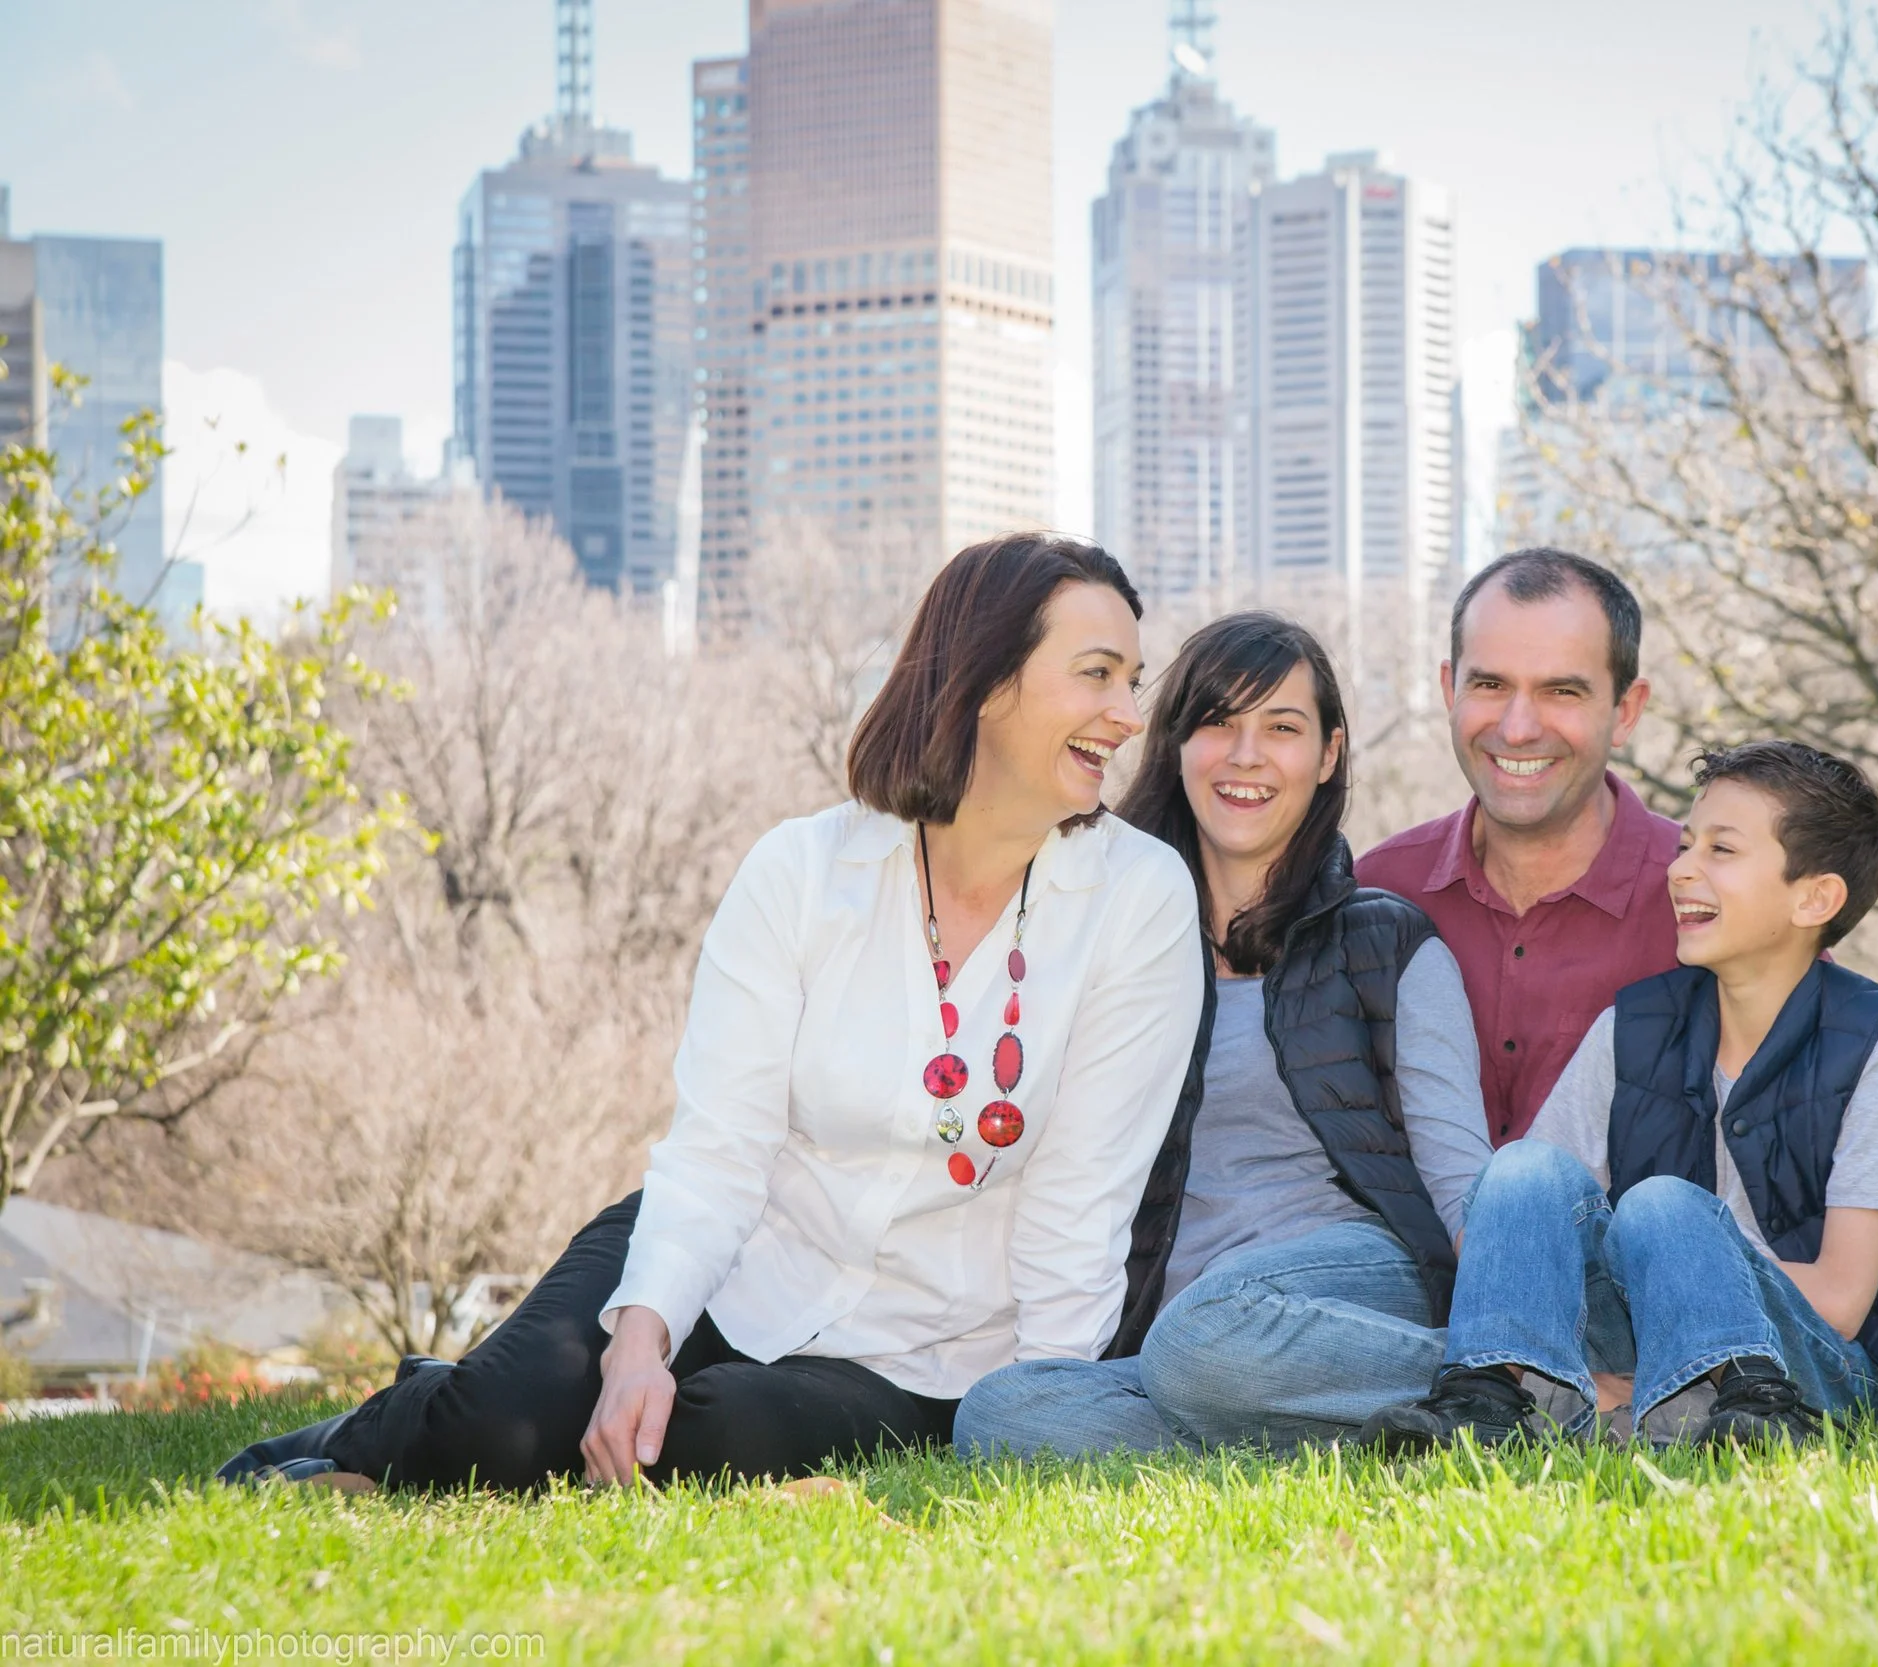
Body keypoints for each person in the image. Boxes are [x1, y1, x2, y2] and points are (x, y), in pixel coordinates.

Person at [218, 533, 1204, 1491]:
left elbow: (1081, 1203)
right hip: (733, 1250)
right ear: (990, 681)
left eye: (1133, 678)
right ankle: (393, 1429)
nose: (1127, 712)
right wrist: (639, 1343)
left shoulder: (1140, 898)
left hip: (925, 1347)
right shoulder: (805, 869)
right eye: (1098, 674)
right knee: (506, 1423)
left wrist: (1035, 1416)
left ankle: (476, 1437)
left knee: (706, 1442)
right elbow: (721, 1143)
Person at [1360, 741, 1878, 1452]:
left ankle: (1729, 1411)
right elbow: (1537, 1216)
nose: (1681, 867)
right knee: (1521, 1170)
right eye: (1685, 844)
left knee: (1662, 1206)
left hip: (1805, 1356)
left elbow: (1840, 1300)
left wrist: (1683, 1261)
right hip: (1641, 1321)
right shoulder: (1633, 1025)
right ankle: (1487, 1400)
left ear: (1815, 897)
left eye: (1722, 849)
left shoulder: (1872, 1043)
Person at [953, 613, 1490, 1457]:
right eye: (1219, 723)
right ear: (1176, 745)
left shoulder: (1385, 942)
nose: (1247, 756)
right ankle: (1341, 1440)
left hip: (1351, 1285)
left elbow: (1463, 1184)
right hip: (1185, 1333)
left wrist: (1514, 1316)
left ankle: (1504, 1389)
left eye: (1282, 727)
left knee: (1205, 1339)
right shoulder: (1100, 938)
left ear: (1329, 754)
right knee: (1000, 1413)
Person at [1357, 547, 1683, 1146]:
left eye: (1561, 691)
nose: (1517, 728)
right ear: (1449, 689)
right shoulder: (1373, 893)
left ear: (1626, 711)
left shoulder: (1710, 900)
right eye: (1489, 684)